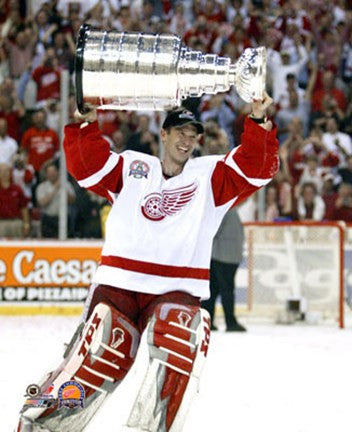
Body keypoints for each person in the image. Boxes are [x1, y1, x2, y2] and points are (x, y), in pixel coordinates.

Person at [17, 93, 278, 432]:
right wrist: (86, 122)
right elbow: (87, 167)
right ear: (163, 134)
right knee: (93, 364)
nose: (187, 139)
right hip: (118, 287)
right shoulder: (133, 167)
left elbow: (257, 166)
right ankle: (39, 421)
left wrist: (258, 119)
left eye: (193, 134)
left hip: (175, 290)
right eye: (180, 131)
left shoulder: (209, 176)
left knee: (180, 342)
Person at [202, 207, 246, 332]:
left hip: (221, 255)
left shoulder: (226, 209)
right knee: (225, 290)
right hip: (225, 256)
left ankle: (208, 321)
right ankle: (230, 322)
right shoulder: (228, 209)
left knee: (214, 290)